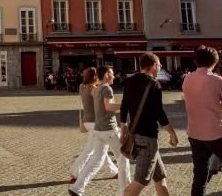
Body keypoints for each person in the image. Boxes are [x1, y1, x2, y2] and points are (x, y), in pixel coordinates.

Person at [183, 46, 222, 196]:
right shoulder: (217, 80)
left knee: (200, 175)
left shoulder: (187, 79)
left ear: (196, 61)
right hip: (216, 133)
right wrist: (216, 104)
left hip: (195, 133)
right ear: (214, 62)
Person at [120, 53, 178, 196]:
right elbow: (158, 112)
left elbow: (124, 107)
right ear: (153, 66)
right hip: (147, 137)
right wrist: (172, 132)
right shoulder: (154, 84)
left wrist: (124, 130)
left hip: (136, 134)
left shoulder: (130, 81)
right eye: (159, 65)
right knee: (140, 181)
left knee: (160, 178)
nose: (159, 68)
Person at [69, 66, 130, 196]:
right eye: (112, 74)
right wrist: (127, 105)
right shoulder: (103, 88)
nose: (114, 77)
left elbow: (105, 108)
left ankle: (77, 187)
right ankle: (126, 192)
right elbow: (108, 106)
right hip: (107, 128)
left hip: (97, 129)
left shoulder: (90, 88)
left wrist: (122, 108)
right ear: (106, 75)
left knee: (96, 159)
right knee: (123, 159)